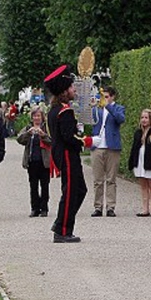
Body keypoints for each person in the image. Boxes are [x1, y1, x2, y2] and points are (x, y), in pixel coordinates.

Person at [46, 64, 92, 243]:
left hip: (64, 154)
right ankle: (62, 230)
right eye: (72, 87)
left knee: (80, 190)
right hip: (66, 154)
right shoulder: (64, 111)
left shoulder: (57, 109)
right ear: (65, 91)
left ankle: (62, 224)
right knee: (71, 192)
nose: (74, 90)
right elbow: (69, 136)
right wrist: (86, 141)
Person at [89, 86, 126, 217]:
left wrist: (108, 106)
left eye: (107, 96)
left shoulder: (118, 108)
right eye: (103, 96)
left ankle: (111, 206)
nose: (104, 99)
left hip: (112, 147)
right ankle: (98, 206)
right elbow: (89, 122)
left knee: (111, 179)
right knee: (98, 180)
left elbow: (120, 119)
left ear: (112, 97)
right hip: (97, 146)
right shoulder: (97, 109)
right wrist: (92, 107)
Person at [128, 109, 151, 216]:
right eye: (142, 117)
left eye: (146, 118)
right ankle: (145, 208)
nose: (144, 120)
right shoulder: (138, 133)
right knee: (143, 185)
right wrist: (131, 162)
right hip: (140, 161)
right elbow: (134, 148)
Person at [17, 107, 52, 217]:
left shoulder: (47, 128)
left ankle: (44, 208)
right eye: (35, 116)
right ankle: (34, 208)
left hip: (44, 161)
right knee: (33, 186)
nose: (36, 118)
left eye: (38, 116)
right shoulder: (28, 127)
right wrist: (28, 134)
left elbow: (52, 141)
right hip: (32, 160)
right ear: (32, 117)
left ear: (42, 117)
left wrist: (43, 135)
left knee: (45, 185)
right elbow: (20, 139)